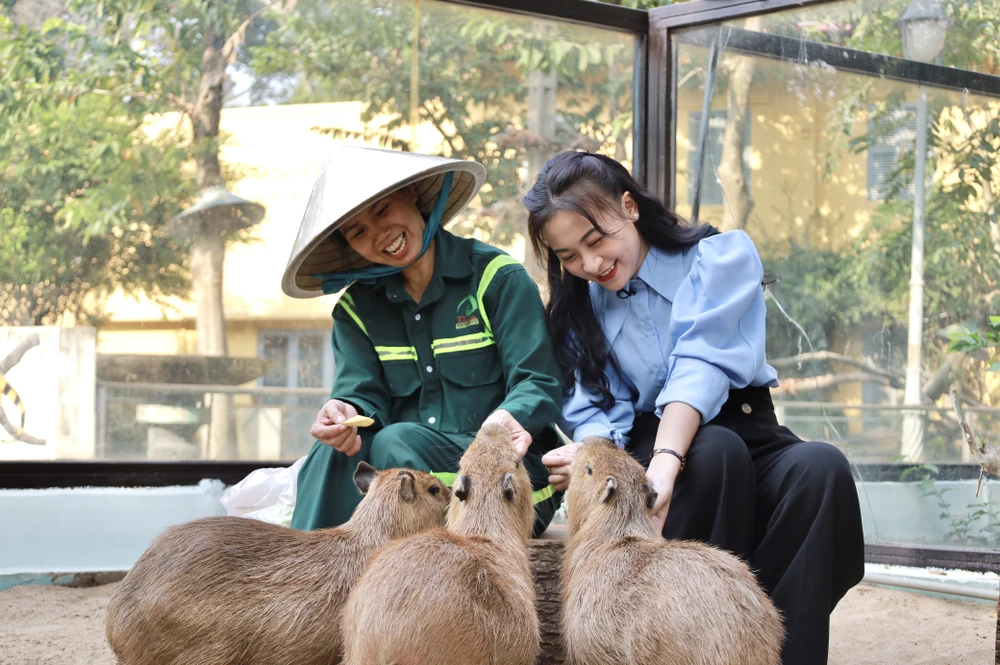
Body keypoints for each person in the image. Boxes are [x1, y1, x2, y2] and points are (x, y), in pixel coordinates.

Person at [524, 151, 864, 665]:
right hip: (653, 445)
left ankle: (780, 651)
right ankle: (701, 646)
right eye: (569, 256)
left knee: (821, 469)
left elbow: (702, 361)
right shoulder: (577, 311)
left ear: (629, 206)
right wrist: (596, 458)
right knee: (713, 454)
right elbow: (592, 408)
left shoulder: (720, 257)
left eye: (595, 240)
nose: (590, 265)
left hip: (748, 431)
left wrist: (668, 458)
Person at [281, 145, 563, 535]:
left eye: (382, 211)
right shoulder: (356, 312)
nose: (381, 236)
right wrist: (343, 413)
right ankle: (307, 577)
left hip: (505, 483)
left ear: (411, 194)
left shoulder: (496, 279)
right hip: (409, 477)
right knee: (328, 456)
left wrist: (500, 424)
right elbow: (361, 397)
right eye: (358, 232)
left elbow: (538, 380)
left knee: (394, 445)